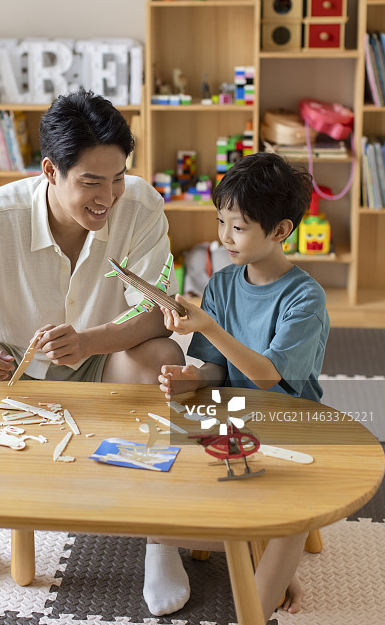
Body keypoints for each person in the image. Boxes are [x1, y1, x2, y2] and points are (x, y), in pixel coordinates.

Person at [0, 89, 184, 612]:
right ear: (50, 171)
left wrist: (90, 340)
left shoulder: (140, 206)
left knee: (162, 357)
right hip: (8, 367)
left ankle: (160, 538)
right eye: (91, 182)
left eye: (118, 176)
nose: (109, 196)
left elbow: (158, 311)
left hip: (104, 359)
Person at [147, 152, 330, 622]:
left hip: (290, 418)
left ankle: (259, 597)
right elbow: (217, 371)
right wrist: (192, 378)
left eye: (238, 227)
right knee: (160, 464)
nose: (223, 237)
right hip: (232, 414)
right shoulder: (224, 282)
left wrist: (207, 327)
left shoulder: (304, 298)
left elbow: (267, 376)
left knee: (292, 511)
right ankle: (253, 546)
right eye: (220, 221)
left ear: (280, 231)